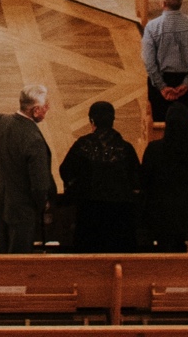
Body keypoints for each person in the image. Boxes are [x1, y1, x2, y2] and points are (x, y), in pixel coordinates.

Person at [0, 84, 56, 254]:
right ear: (35, 110)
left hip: (2, 200)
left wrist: (2, 175)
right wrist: (43, 204)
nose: (47, 110)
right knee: (18, 256)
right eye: (45, 107)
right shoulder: (34, 141)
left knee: (0, 249)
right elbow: (39, 185)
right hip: (23, 209)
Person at [59, 101, 140, 252]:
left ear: (92, 121)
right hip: (120, 217)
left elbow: (65, 170)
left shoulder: (82, 145)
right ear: (112, 120)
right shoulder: (126, 148)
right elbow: (136, 179)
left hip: (89, 215)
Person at [141, 102, 188, 251]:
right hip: (186, 205)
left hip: (159, 207)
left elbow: (145, 177)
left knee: (163, 243)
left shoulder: (155, 148)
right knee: (180, 241)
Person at [142, 0, 188, 122]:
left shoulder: (152, 27)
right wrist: (187, 83)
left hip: (160, 81)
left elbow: (149, 61)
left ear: (163, 2)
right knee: (182, 125)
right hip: (184, 81)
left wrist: (162, 86)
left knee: (159, 127)